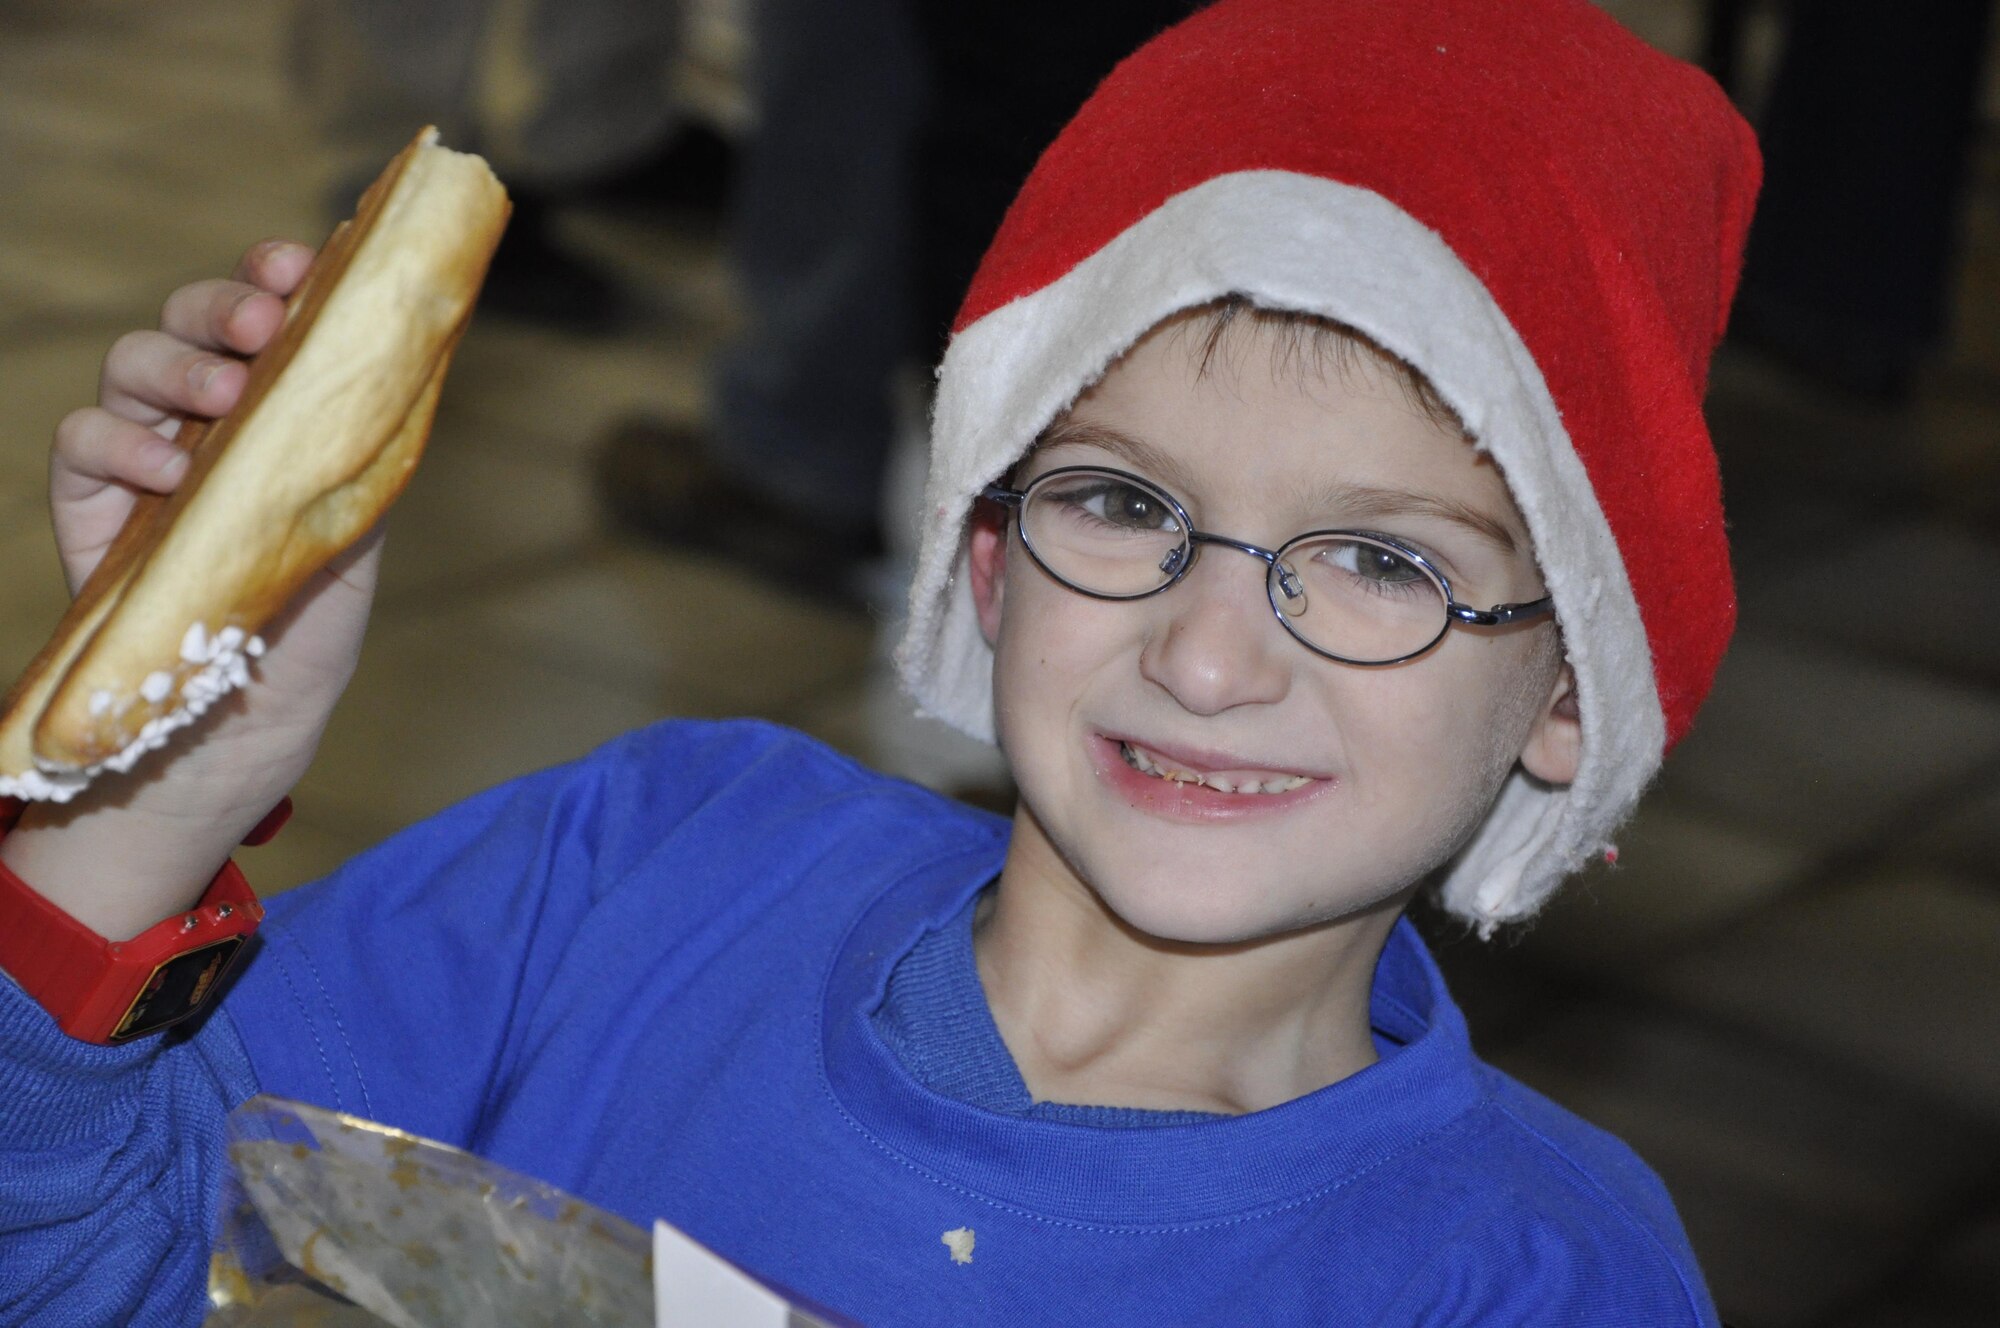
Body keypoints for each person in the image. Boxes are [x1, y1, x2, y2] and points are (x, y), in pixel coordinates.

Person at [0, 0, 1759, 1324]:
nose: (1210, 655)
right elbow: (78, 1247)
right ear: (986, 555)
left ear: (1571, 691)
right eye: (1124, 502)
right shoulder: (637, 869)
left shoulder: (1535, 1275)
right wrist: (154, 796)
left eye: (1382, 563)